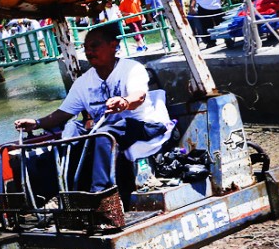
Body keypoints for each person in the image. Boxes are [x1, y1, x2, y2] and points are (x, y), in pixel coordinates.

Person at [14, 24, 171, 193]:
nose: (89, 52)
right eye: (86, 48)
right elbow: (62, 113)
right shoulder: (83, 82)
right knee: (70, 134)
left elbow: (138, 96)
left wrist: (124, 102)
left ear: (113, 46)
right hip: (104, 129)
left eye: (94, 46)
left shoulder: (132, 69)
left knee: (104, 134)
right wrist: (37, 123)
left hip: (141, 125)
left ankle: (100, 194)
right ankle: (63, 193)